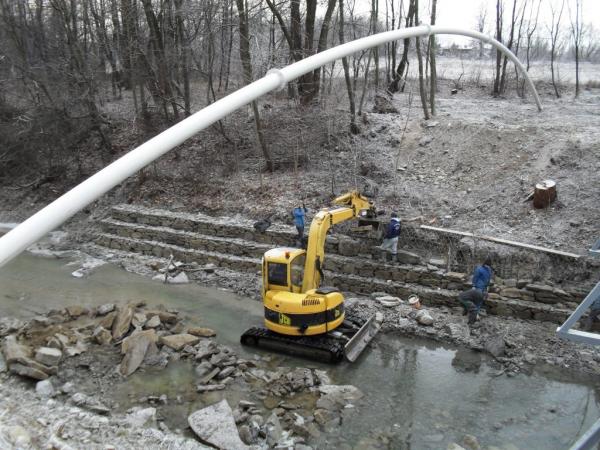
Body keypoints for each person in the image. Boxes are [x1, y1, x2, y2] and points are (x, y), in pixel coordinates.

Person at [459, 257, 493, 324]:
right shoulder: (479, 269)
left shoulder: (489, 270)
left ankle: (473, 313)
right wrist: (474, 285)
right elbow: (475, 277)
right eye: (486, 265)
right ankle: (474, 315)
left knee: (480, 301)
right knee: (476, 300)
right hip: (478, 286)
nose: (487, 266)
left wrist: (488, 286)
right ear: (484, 263)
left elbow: (489, 278)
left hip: (484, 287)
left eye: (488, 265)